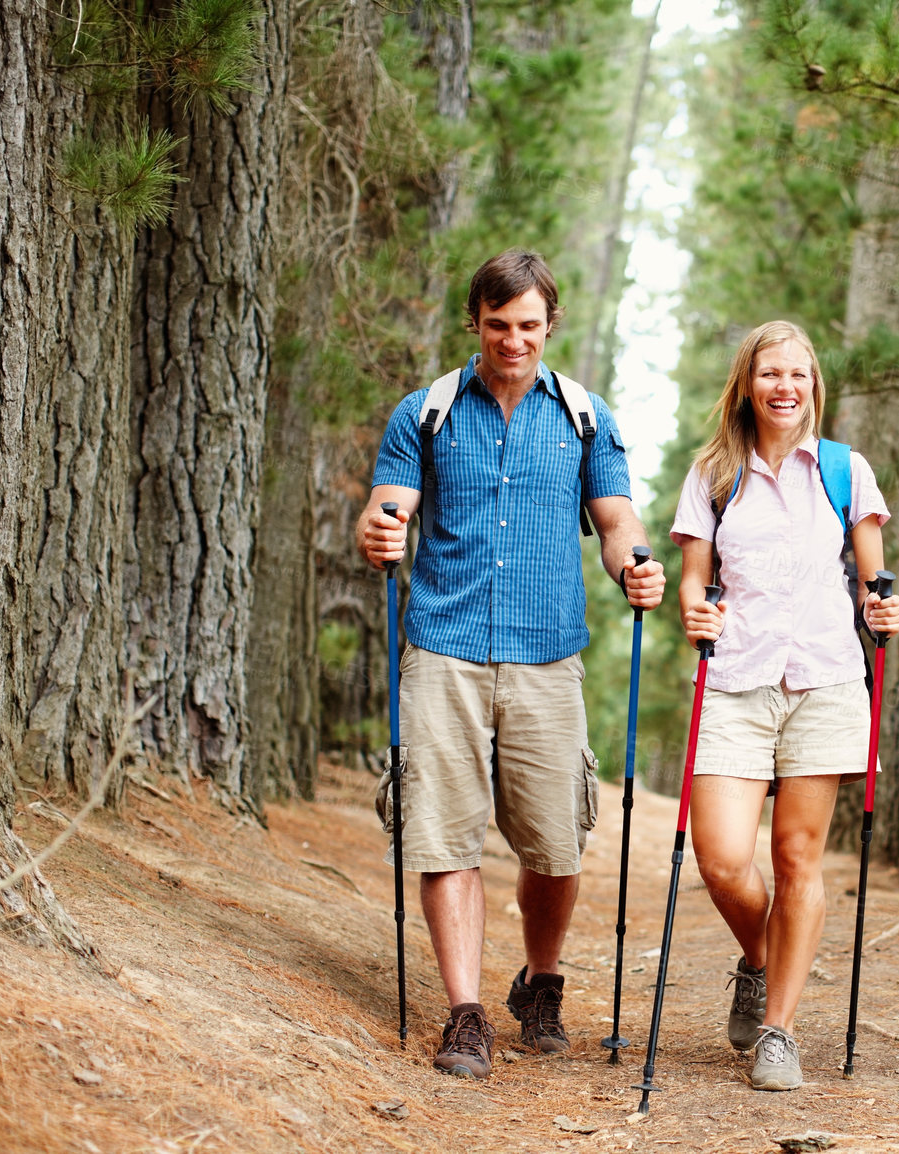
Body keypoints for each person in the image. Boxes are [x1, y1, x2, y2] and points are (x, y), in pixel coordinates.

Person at [356, 248, 664, 1079]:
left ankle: (540, 979)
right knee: (442, 834)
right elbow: (387, 511)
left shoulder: (585, 418)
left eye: (529, 326)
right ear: (475, 322)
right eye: (499, 325)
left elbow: (616, 521)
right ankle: (466, 1013)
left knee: (556, 845)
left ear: (550, 325)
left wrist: (637, 562)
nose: (514, 341)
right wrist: (380, 531)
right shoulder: (426, 411)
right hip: (443, 649)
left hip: (546, 654)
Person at [668, 320, 899, 1091]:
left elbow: (874, 575)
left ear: (813, 385)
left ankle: (780, 1029)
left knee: (798, 860)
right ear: (747, 383)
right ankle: (759, 960)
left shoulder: (844, 470)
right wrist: (694, 609)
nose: (785, 388)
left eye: (798, 375)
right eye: (770, 374)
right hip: (736, 683)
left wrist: (884, 607)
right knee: (724, 859)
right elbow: (694, 580)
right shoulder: (713, 473)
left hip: (827, 682)